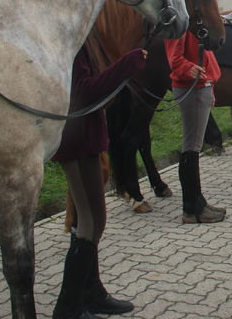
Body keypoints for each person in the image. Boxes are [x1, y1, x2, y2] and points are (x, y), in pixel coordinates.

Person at [51, 44, 147, 319]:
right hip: (77, 140)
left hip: (85, 138)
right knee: (90, 221)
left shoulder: (84, 41)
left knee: (92, 221)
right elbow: (84, 92)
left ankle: (91, 292)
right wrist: (127, 63)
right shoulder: (74, 44)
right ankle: (68, 307)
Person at [165, 28, 227, 224]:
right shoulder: (182, 27)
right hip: (193, 89)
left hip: (202, 87)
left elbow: (205, 57)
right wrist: (188, 68)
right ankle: (192, 209)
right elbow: (174, 59)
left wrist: (210, 86)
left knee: (193, 148)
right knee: (191, 148)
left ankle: (198, 202)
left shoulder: (196, 26)